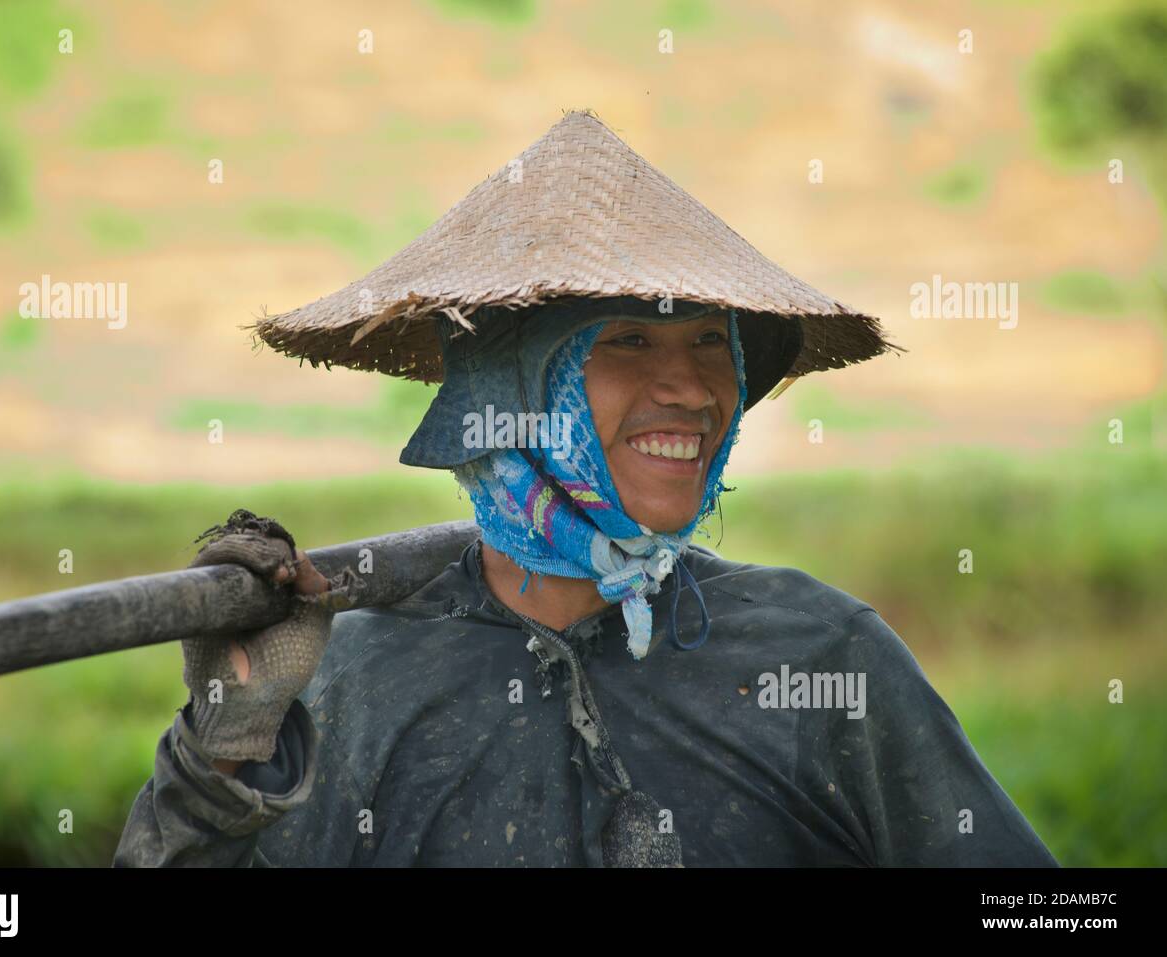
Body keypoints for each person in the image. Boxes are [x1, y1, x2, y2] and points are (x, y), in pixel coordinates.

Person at [114, 111, 1057, 867]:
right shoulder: (354, 688)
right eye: (630, 341)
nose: (692, 390)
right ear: (509, 392)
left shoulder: (821, 656)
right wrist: (220, 757)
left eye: (707, 343)